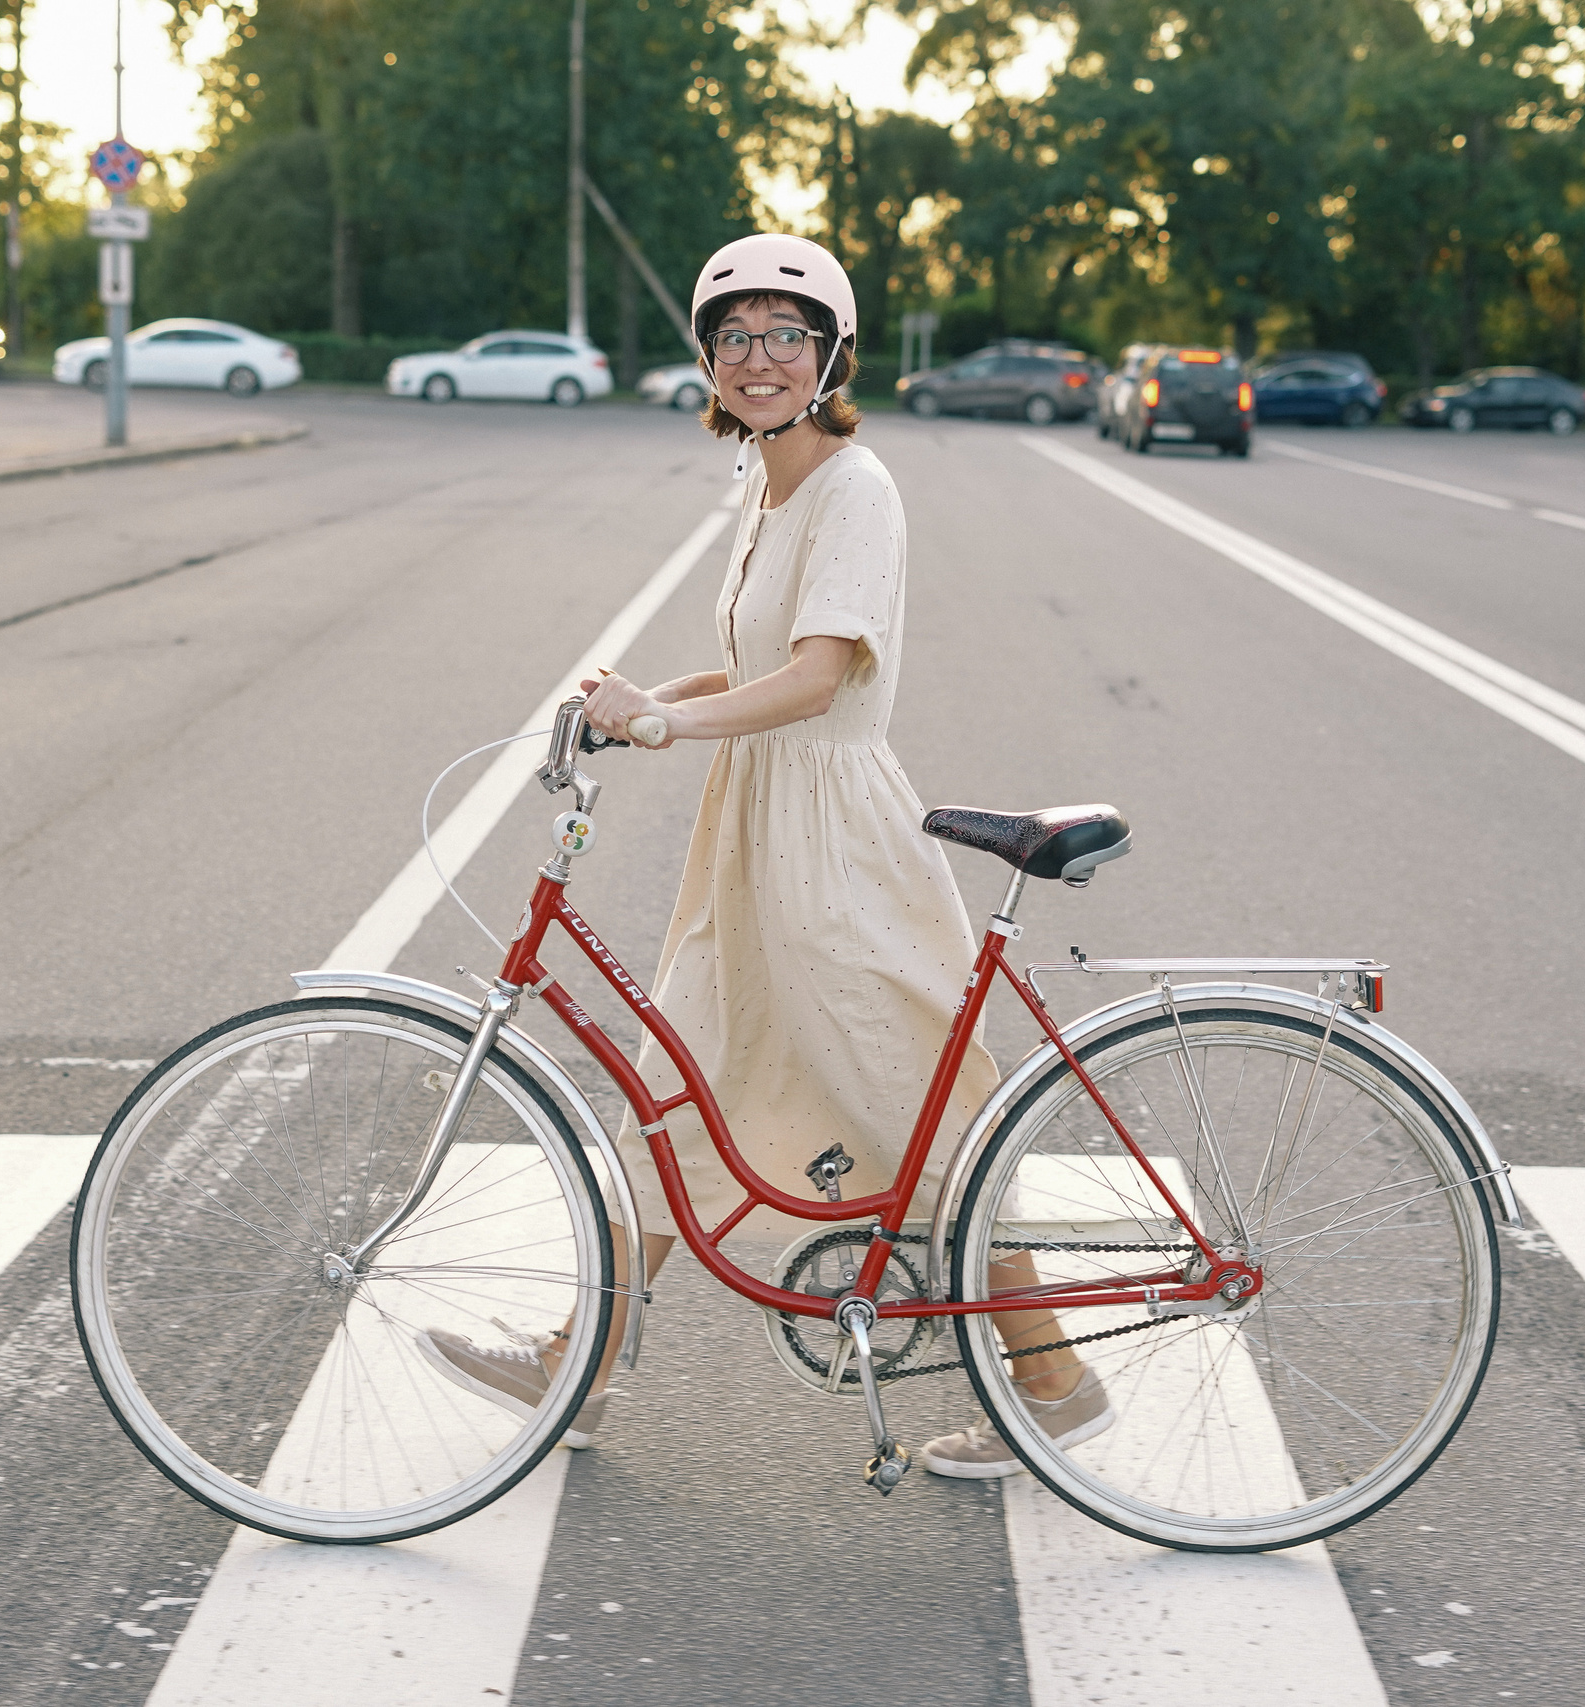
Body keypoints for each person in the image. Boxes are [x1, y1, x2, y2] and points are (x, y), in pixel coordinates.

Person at [415, 233, 1109, 1479]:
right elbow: (751, 668)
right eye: (734, 336)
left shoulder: (855, 486)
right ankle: (581, 1364)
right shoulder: (770, 482)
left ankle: (1054, 1378)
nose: (758, 358)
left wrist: (677, 721)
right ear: (708, 359)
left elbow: (818, 677)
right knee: (671, 1088)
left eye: (787, 333)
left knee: (919, 1116)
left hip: (836, 849)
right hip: (754, 834)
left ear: (831, 350)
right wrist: (635, 702)